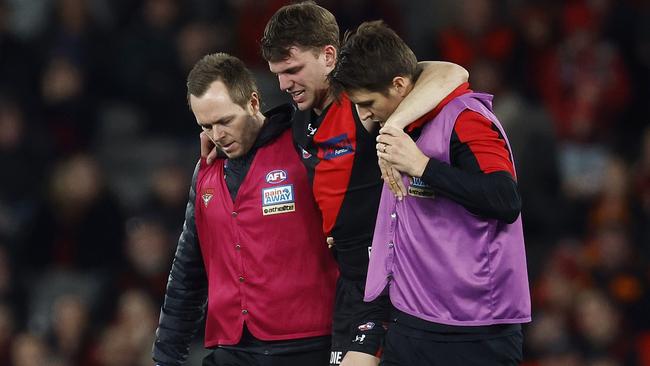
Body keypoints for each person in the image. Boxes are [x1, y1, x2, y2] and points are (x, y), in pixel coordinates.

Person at [257, 2, 469, 365]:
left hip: (393, 279)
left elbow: (451, 72)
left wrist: (395, 125)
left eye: (293, 70)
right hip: (351, 283)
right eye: (277, 73)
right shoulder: (299, 118)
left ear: (328, 56)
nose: (283, 84)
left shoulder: (360, 101)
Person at [329, 21, 531, 365]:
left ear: (398, 85)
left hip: (475, 331)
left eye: (367, 102)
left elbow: (505, 199)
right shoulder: (401, 126)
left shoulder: (466, 119)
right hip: (410, 323)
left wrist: (424, 167)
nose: (364, 116)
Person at [152, 53, 339, 366]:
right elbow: (187, 271)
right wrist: (165, 357)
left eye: (225, 120)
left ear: (253, 102)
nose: (218, 135)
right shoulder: (206, 172)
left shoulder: (303, 146)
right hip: (234, 347)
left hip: (309, 345)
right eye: (207, 125)